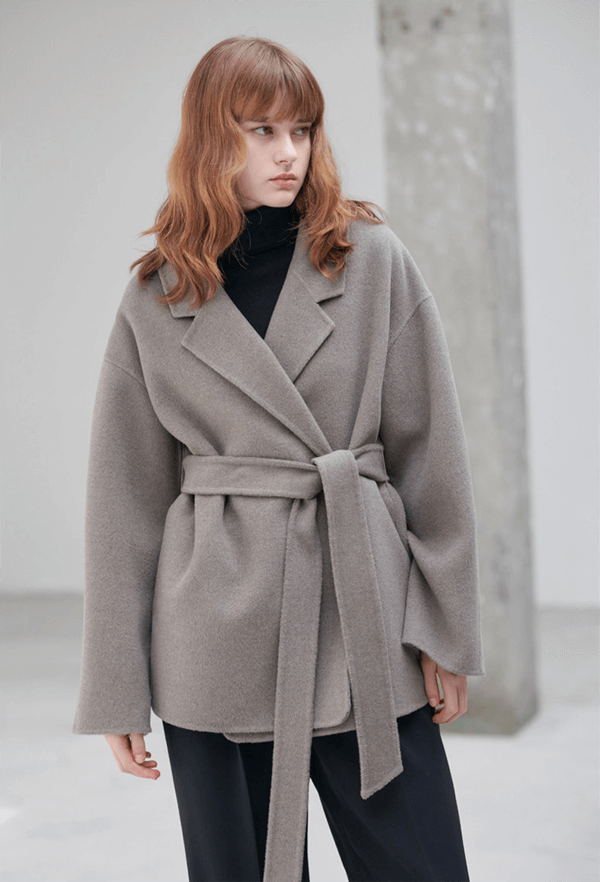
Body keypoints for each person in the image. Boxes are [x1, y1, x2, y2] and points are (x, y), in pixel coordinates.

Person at [73, 35, 485, 882]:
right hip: (214, 637)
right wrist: (116, 686)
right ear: (209, 137)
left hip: (361, 615)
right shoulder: (156, 295)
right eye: (261, 130)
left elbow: (432, 455)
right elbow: (124, 504)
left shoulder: (370, 260)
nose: (289, 152)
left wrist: (445, 630)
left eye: (302, 128)